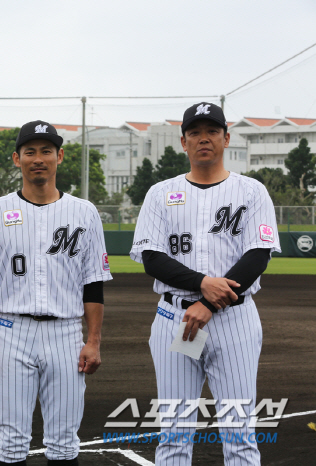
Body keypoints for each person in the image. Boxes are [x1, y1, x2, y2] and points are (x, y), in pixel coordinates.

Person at [130, 102, 281, 465]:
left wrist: (210, 302)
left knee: (240, 432)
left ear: (226, 138)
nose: (204, 138)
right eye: (195, 132)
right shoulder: (161, 193)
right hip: (178, 323)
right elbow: (151, 257)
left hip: (233, 322)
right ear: (183, 142)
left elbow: (258, 255)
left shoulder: (251, 191)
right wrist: (202, 284)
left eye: (212, 131)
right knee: (175, 432)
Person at [0, 121, 112, 465]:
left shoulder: (84, 213)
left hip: (65, 333)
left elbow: (93, 283)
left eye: (46, 151)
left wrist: (93, 341)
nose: (38, 158)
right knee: (11, 442)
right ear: (16, 159)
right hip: (11, 332)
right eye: (29, 151)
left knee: (64, 442)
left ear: (59, 156)